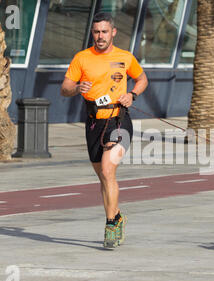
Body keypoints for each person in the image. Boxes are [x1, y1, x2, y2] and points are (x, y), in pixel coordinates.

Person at [60, 12, 148, 248]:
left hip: (119, 121)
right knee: (103, 176)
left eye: (104, 32)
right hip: (93, 122)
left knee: (109, 170)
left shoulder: (125, 57)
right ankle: (118, 216)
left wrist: (132, 95)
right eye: (97, 32)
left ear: (113, 32)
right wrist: (77, 87)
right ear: (93, 33)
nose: (100, 36)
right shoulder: (82, 58)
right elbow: (65, 88)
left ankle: (110, 224)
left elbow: (142, 79)